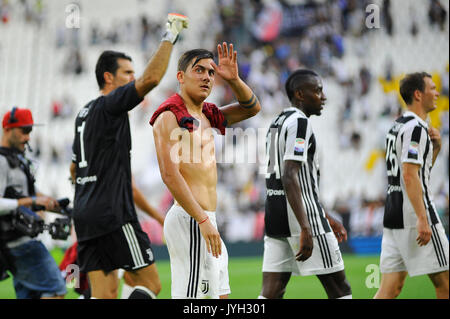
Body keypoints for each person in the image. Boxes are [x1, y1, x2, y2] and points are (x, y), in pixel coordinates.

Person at [69, 13, 188, 299]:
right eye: (127, 74)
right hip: (113, 214)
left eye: (133, 74)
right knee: (150, 285)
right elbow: (151, 79)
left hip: (85, 216)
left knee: (105, 295)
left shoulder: (83, 115)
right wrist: (170, 34)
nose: (133, 79)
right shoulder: (112, 106)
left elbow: (74, 169)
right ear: (108, 77)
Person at [150, 43, 261, 299]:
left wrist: (233, 79)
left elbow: (252, 107)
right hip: (191, 220)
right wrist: (201, 220)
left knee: (220, 297)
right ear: (180, 76)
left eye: (211, 72)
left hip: (206, 219)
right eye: (199, 70)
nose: (207, 77)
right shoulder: (169, 116)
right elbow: (169, 175)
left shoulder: (207, 116)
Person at [259, 69, 352, 299]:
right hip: (302, 218)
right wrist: (305, 226)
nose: (323, 96)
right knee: (340, 290)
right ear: (300, 94)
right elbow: (290, 175)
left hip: (275, 215)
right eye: (318, 90)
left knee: (272, 292)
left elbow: (288, 177)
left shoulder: (277, 122)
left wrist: (327, 216)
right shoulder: (300, 123)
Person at [374, 72, 449, 299]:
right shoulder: (416, 128)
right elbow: (409, 176)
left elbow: (415, 172)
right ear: (418, 94)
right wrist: (422, 217)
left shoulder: (396, 126)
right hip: (416, 214)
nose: (437, 93)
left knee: (390, 289)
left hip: (393, 214)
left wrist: (434, 149)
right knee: (446, 284)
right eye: (432, 88)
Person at [0, 107, 66, 299]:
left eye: (30, 131)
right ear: (7, 129)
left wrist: (52, 203)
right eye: (24, 130)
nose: (28, 137)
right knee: (56, 291)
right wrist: (33, 201)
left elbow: (24, 193)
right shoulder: (2, 161)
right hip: (19, 243)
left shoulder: (17, 159)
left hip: (18, 242)